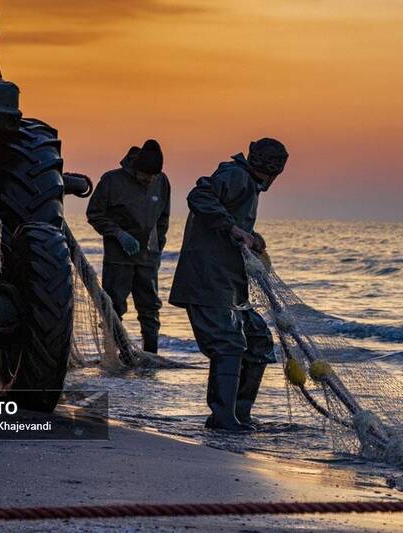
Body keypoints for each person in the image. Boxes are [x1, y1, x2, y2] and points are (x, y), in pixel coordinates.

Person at [169, 138, 288, 431]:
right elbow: (199, 197)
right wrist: (234, 228)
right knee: (229, 344)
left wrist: (251, 236)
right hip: (207, 281)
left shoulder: (249, 185)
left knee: (258, 339)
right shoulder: (235, 175)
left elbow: (228, 223)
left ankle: (240, 414)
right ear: (272, 168)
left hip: (232, 286)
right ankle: (222, 419)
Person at [87, 140, 171, 354]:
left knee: (150, 310)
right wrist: (119, 234)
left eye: (154, 176)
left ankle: (151, 357)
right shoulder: (111, 180)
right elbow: (94, 214)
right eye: (146, 176)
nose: (150, 180)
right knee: (114, 308)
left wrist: (158, 246)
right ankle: (113, 356)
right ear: (135, 169)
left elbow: (163, 218)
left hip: (148, 259)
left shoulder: (162, 182)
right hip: (118, 259)